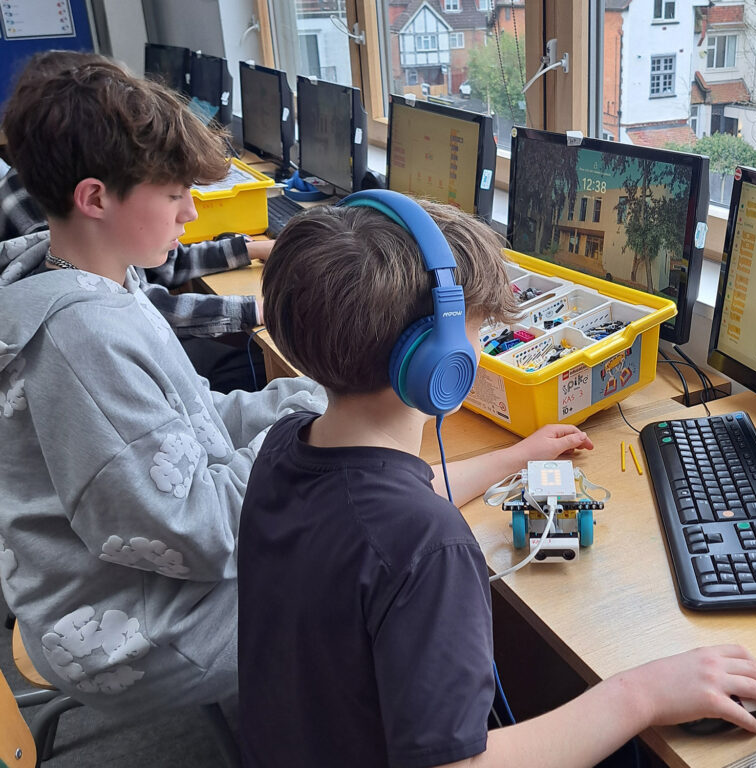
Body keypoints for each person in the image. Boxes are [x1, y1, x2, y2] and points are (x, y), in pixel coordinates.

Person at [0, 51, 591, 721]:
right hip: (137, 631)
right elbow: (196, 527)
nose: (193, 212)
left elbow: (192, 424)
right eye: (172, 195)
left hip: (125, 584)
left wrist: (309, 404)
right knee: (382, 573)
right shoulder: (81, 338)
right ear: (95, 198)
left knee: (356, 517)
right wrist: (313, 430)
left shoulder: (91, 279)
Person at [237, 195, 756, 767]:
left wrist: (517, 456)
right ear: (436, 358)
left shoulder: (289, 443)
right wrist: (641, 693)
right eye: (474, 329)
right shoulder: (427, 544)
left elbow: (390, 503)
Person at [0, 50, 273, 393]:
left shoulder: (101, 261)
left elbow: (165, 266)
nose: (191, 212)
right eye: (175, 195)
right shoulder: (89, 341)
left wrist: (251, 248)